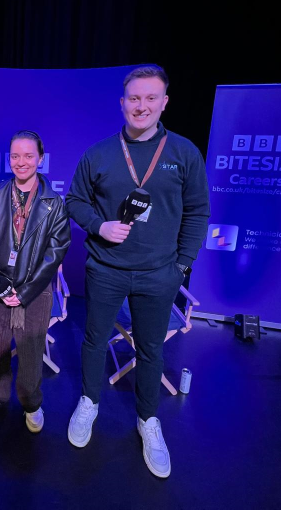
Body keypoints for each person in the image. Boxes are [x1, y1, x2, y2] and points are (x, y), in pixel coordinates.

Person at [65, 64, 210, 477]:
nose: (141, 106)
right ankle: (88, 403)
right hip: (107, 269)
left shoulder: (183, 152)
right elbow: (75, 201)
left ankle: (148, 420)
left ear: (164, 102)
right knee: (94, 342)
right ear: (122, 103)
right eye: (134, 98)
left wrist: (182, 265)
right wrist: (99, 225)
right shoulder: (99, 153)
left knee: (151, 350)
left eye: (150, 98)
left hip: (158, 273)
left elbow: (198, 212)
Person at [0, 130, 71, 433]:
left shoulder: (54, 203)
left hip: (36, 291)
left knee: (30, 350)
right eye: (15, 155)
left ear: (41, 159)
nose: (21, 162)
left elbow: (56, 252)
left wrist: (26, 291)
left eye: (29, 155)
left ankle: (31, 403)